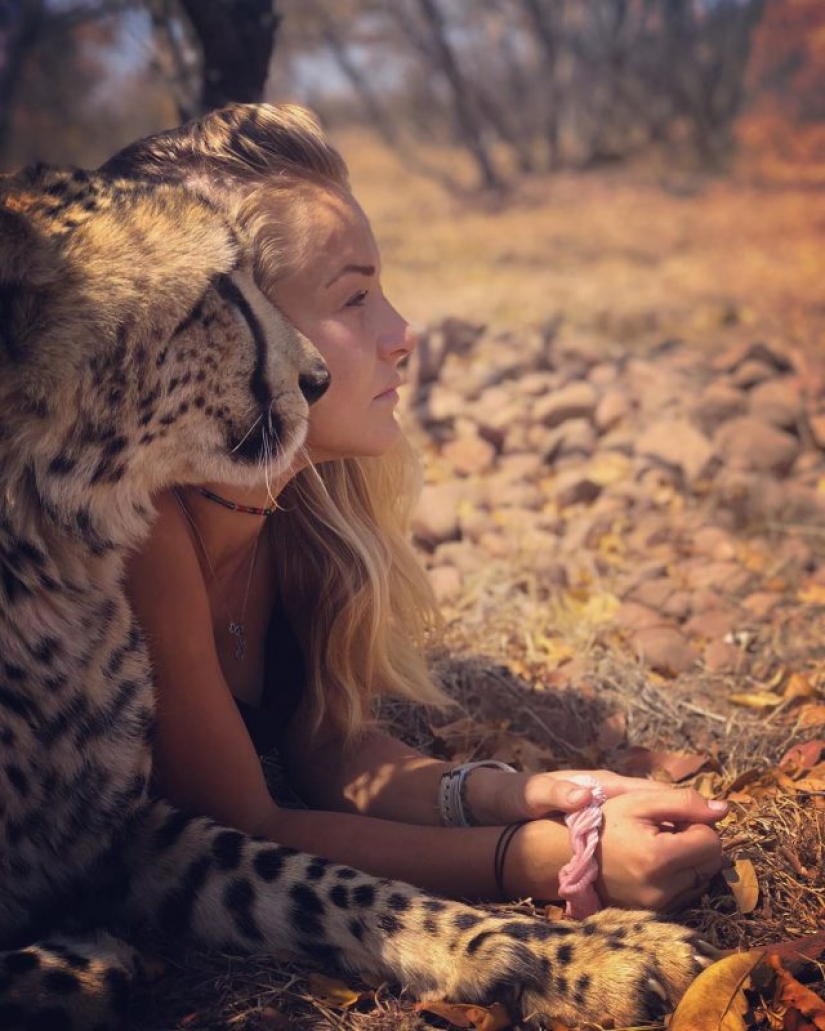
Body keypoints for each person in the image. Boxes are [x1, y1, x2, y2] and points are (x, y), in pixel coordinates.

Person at [112, 103, 728, 910]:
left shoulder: (297, 509)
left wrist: (542, 796)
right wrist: (548, 861)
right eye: (354, 297)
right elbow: (248, 828)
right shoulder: (142, 534)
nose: (403, 331)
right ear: (230, 337)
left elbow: (327, 749)